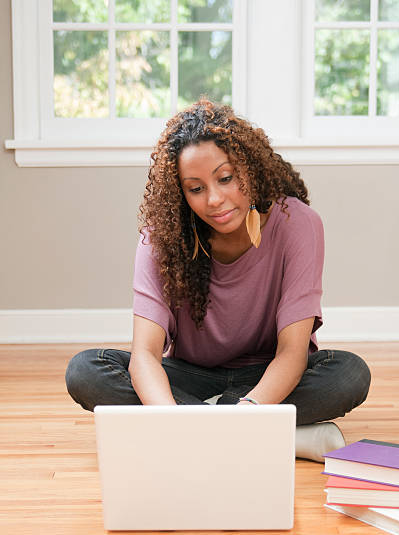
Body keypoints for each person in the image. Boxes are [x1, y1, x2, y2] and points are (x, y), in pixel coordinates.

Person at [65, 98, 371, 463]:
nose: (214, 200)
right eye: (196, 189)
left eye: (225, 178)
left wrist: (251, 407)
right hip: (188, 375)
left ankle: (211, 427)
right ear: (181, 193)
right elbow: (145, 353)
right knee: (86, 370)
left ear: (251, 168)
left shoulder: (299, 224)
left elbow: (292, 351)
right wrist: (170, 418)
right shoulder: (160, 239)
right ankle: (272, 437)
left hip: (267, 375)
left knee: (349, 374)